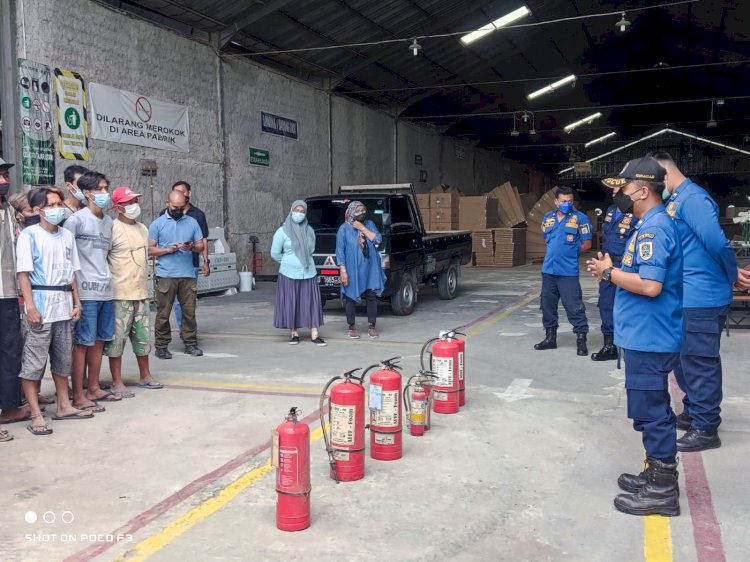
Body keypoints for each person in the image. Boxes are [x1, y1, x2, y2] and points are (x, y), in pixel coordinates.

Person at [588, 156, 683, 516]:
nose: (621, 194)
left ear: (642, 189)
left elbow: (650, 285)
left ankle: (662, 489)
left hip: (651, 336)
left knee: (654, 412)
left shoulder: (654, 229)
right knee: (648, 409)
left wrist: (609, 274)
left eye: (625, 188)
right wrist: (611, 270)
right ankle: (655, 473)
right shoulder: (649, 224)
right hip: (644, 335)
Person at [651, 151, 750, 452]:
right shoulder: (674, 201)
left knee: (700, 362)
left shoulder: (692, 198)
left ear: (665, 175)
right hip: (685, 295)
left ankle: (707, 427)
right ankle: (694, 410)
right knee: (684, 360)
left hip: (702, 296)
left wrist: (732, 275)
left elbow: (717, 242)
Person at [17, 186, 94, 435]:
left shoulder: (66, 236)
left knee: (63, 360)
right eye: (50, 205)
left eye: (59, 203)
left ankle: (64, 405)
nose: (57, 208)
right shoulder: (29, 235)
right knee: (34, 362)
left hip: (64, 305)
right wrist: (30, 306)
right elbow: (24, 274)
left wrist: (77, 302)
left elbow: (72, 273)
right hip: (41, 303)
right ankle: (36, 413)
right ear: (38, 209)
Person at [64, 171, 120, 413]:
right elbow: (66, 257)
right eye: (100, 189)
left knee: (99, 341)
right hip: (85, 291)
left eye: (106, 188)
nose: (105, 194)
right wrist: (74, 295)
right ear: (86, 193)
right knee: (82, 343)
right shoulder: (76, 220)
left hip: (106, 290)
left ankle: (94, 388)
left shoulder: (108, 222)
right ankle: (77, 395)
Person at [104, 187, 163, 393]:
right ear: (118, 207)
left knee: (143, 338)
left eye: (134, 201)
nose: (133, 206)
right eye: (129, 203)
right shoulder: (111, 228)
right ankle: (116, 381)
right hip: (119, 294)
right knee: (116, 341)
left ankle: (145, 376)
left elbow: (147, 254)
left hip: (140, 292)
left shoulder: (143, 228)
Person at [534, 186, 592, 355]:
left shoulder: (581, 219)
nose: (567, 204)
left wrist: (570, 253)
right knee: (547, 306)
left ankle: (581, 340)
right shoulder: (548, 218)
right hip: (549, 270)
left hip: (568, 272)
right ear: (556, 201)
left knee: (574, 306)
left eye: (570, 201)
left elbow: (587, 244)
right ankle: (550, 338)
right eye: (564, 201)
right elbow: (548, 239)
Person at [149, 190, 205, 358]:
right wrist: (168, 249)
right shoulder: (157, 224)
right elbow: (149, 249)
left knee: (189, 312)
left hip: (187, 274)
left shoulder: (192, 222)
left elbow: (201, 245)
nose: (179, 211)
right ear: (167, 203)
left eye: (182, 207)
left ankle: (190, 343)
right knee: (163, 313)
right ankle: (161, 346)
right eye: (175, 207)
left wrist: (192, 247)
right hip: (166, 275)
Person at [271, 200, 326, 346]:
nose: (299, 214)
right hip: (288, 273)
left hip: (308, 272)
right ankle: (294, 333)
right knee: (292, 302)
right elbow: (275, 253)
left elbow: (311, 250)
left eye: (302, 212)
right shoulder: (282, 231)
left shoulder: (310, 231)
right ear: (291, 211)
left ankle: (315, 334)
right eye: (297, 210)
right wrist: (288, 261)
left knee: (311, 303)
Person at [0, 158, 28, 439]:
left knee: (10, 352)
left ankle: (9, 408)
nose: (3, 177)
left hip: (8, 293)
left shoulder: (8, 209)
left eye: (5, 172)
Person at [164, 181, 210, 337]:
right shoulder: (163, 215)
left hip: (191, 265)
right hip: (169, 267)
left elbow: (203, 240)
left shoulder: (197, 215)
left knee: (188, 301)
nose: (179, 195)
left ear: (188, 194)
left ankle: (189, 330)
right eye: (175, 192)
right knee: (175, 303)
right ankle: (185, 331)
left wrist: (206, 261)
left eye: (182, 192)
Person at [591, 195, 633, 361]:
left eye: (620, 190)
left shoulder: (636, 211)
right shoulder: (610, 210)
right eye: (614, 191)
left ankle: (630, 346)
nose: (617, 194)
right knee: (606, 304)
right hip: (607, 263)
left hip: (626, 265)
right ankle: (609, 345)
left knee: (629, 304)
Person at [336, 201, 385, 339]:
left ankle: (372, 326)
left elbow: (378, 240)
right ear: (351, 212)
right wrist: (343, 270)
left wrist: (362, 228)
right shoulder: (344, 229)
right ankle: (351, 327)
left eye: (363, 210)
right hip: (352, 270)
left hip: (370, 268)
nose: (361, 213)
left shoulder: (369, 225)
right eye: (357, 211)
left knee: (371, 296)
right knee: (350, 297)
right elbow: (340, 251)